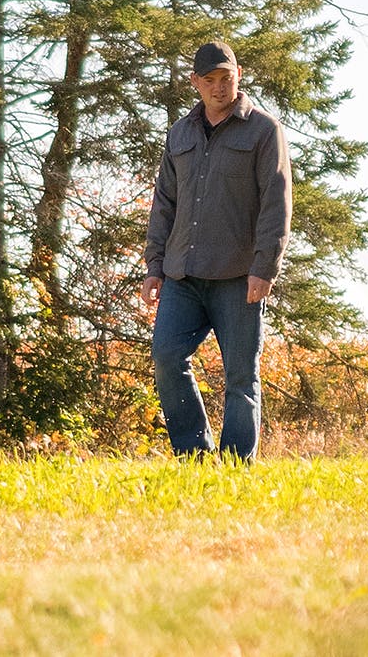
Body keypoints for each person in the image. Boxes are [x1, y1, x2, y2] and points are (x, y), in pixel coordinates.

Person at [141, 40, 292, 460]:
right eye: (209, 81)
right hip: (182, 277)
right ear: (196, 83)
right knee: (167, 359)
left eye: (226, 78)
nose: (219, 88)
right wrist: (154, 267)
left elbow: (276, 205)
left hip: (239, 277)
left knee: (241, 376)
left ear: (237, 75)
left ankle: (235, 463)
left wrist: (265, 268)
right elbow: (164, 204)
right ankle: (195, 455)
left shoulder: (264, 131)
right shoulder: (179, 133)